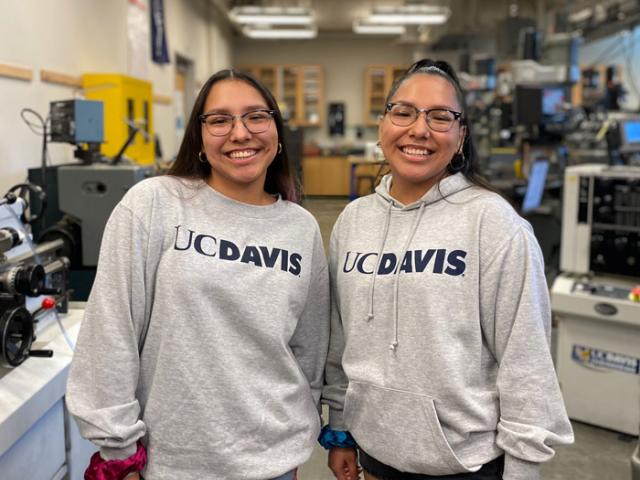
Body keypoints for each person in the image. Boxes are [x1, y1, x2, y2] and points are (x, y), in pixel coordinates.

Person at [66, 69, 330, 480]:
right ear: (200, 137)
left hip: (274, 459)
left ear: (276, 132)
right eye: (220, 119)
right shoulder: (155, 203)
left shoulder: (300, 227)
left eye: (256, 117)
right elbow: (111, 330)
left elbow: (309, 348)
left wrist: (299, 428)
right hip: (172, 462)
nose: (240, 133)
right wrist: (118, 451)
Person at [320, 59, 574, 480]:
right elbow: (342, 337)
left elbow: (525, 361)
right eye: (403, 112)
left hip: (464, 464)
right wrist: (342, 429)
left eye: (440, 117)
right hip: (373, 456)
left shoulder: (493, 224)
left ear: (461, 136)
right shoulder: (353, 221)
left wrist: (524, 469)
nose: (419, 129)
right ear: (383, 125)